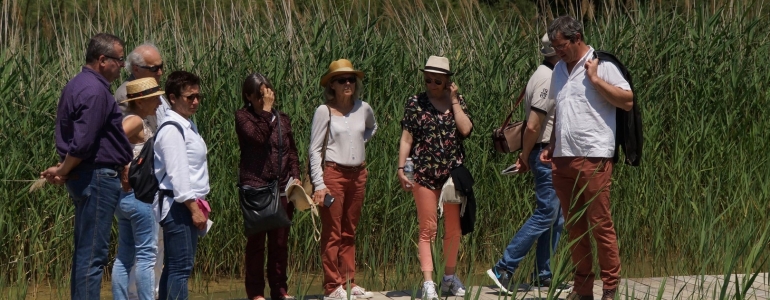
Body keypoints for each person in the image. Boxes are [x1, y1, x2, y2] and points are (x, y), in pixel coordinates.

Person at [540, 16, 634, 300]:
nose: (557, 51)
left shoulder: (602, 65)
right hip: (563, 157)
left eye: (561, 46)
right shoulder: (558, 70)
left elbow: (627, 101)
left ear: (576, 37)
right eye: (554, 47)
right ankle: (582, 289)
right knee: (574, 226)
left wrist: (593, 79)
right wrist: (551, 145)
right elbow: (559, 111)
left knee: (599, 223)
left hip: (594, 156)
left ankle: (610, 287)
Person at [40, 33, 133, 299]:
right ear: (103, 60)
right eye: (119, 59)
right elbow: (82, 143)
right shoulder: (94, 91)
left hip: (88, 175)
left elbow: (78, 140)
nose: (122, 64)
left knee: (85, 253)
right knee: (93, 256)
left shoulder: (78, 84)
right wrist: (63, 170)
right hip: (97, 178)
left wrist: (65, 169)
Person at [486, 34, 573, 295]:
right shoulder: (547, 77)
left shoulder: (548, 72)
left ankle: (543, 274)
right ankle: (503, 268)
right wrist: (524, 157)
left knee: (555, 218)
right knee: (546, 213)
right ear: (558, 50)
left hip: (549, 152)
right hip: (544, 153)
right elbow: (534, 124)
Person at [397, 56, 473, 300]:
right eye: (428, 79)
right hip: (424, 172)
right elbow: (407, 139)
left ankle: (449, 278)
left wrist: (453, 101)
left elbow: (466, 130)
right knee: (427, 228)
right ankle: (428, 282)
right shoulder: (415, 102)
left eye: (437, 81)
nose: (431, 84)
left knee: (453, 229)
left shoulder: (456, 101)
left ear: (448, 81)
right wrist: (402, 170)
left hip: (452, 175)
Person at [309, 59, 377, 300]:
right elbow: (315, 150)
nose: (347, 83)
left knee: (350, 230)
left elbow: (372, 127)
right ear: (332, 86)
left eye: (351, 79)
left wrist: (357, 143)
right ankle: (331, 287)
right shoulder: (323, 111)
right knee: (332, 232)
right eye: (341, 80)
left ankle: (349, 282)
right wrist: (319, 184)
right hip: (333, 175)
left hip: (358, 174)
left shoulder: (364, 108)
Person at [235, 73, 301, 300]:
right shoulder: (243, 117)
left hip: (282, 187)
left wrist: (296, 176)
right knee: (256, 245)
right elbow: (258, 138)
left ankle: (279, 290)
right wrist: (265, 112)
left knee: (280, 244)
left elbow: (291, 151)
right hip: (256, 189)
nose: (266, 98)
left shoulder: (282, 118)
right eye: (260, 95)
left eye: (268, 93)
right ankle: (255, 293)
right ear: (249, 96)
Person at [153, 71, 210, 300]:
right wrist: (194, 209)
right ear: (173, 98)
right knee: (180, 268)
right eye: (189, 97)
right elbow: (178, 174)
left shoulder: (186, 124)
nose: (195, 101)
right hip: (180, 206)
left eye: (198, 96)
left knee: (175, 267)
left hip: (186, 204)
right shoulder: (171, 129)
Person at [111, 78, 164, 300]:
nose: (159, 104)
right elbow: (112, 141)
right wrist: (124, 164)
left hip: (125, 197)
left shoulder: (135, 118)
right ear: (141, 101)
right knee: (146, 256)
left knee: (124, 255)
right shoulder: (134, 120)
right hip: (139, 194)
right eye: (154, 99)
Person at [115, 43, 170, 129]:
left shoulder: (152, 86)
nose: (160, 73)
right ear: (136, 68)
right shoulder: (126, 94)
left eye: (161, 66)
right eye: (154, 69)